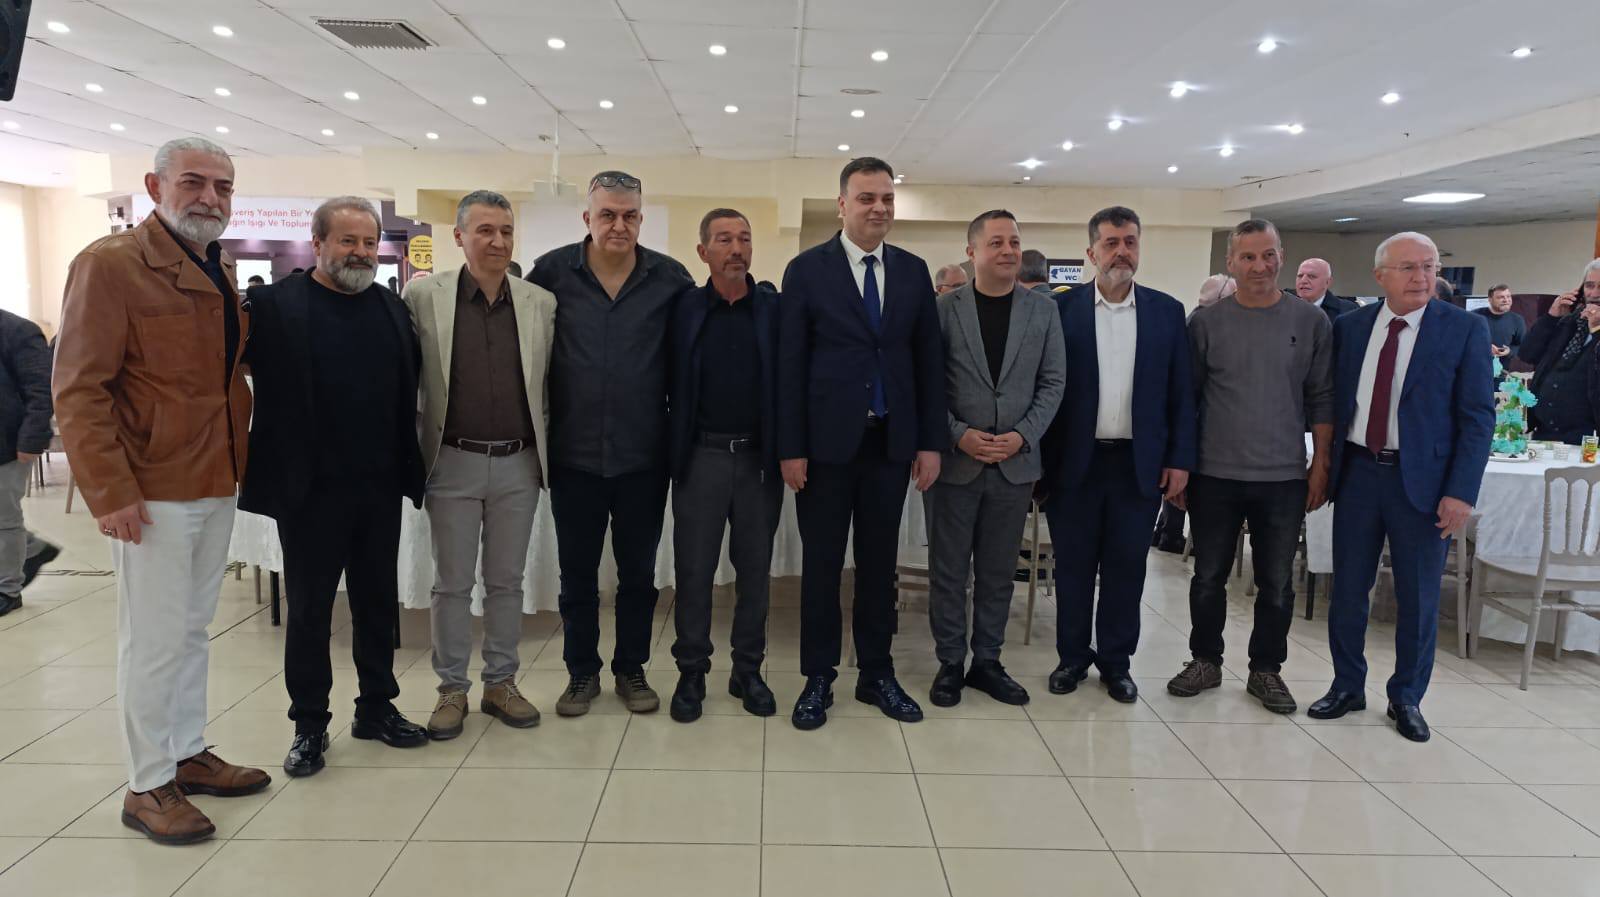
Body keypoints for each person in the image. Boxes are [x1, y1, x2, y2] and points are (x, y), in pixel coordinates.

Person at [54, 137, 268, 845]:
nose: (210, 198)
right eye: (194, 182)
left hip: (216, 473)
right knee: (151, 637)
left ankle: (187, 750)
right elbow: (79, 388)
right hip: (150, 486)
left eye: (223, 186)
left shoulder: (216, 263)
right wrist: (109, 489)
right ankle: (147, 784)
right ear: (155, 186)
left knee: (190, 629)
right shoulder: (109, 265)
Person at [240, 196, 430, 777]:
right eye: (348, 241)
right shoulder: (274, 306)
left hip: (378, 485)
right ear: (317, 243)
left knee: (376, 603)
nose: (361, 253)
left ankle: (376, 707)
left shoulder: (391, 308)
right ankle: (309, 724)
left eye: (369, 243)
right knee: (310, 611)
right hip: (309, 491)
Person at [778, 156, 946, 730]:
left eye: (887, 198)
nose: (879, 208)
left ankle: (876, 673)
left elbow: (927, 362)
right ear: (842, 204)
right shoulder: (807, 270)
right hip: (824, 449)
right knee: (822, 567)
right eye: (867, 198)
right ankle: (818, 677)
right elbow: (790, 365)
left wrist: (930, 442)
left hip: (889, 446)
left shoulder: (913, 272)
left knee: (879, 568)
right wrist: (791, 446)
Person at [1309, 232, 1493, 742]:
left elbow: (1478, 417)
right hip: (1359, 474)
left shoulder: (1463, 329)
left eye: (1429, 267)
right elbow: (1334, 401)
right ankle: (1347, 685)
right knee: (1348, 589)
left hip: (1425, 484)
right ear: (1380, 276)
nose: (1421, 277)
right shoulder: (1351, 327)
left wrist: (1461, 491)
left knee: (1418, 596)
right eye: (1408, 267)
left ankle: (1407, 696)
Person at [528, 171, 693, 716]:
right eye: (608, 214)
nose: (619, 225)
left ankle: (631, 668)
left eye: (629, 215)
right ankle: (581, 673)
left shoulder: (671, 279)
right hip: (572, 456)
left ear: (641, 219)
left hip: (644, 456)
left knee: (638, 577)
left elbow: (688, 364)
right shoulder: (550, 274)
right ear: (588, 218)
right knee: (576, 576)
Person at [405, 191, 555, 739]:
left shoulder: (540, 302)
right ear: (459, 236)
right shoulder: (424, 297)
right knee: (451, 584)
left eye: (506, 231)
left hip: (518, 462)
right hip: (452, 460)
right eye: (485, 230)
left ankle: (501, 683)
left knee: (507, 582)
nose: (498, 241)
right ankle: (451, 689)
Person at [1170, 218, 1333, 714]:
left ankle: (1266, 669)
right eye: (1248, 257)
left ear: (1281, 255)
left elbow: (1322, 399)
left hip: (1283, 476)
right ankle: (1205, 660)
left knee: (1276, 583)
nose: (1259, 265)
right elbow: (1186, 400)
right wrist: (1181, 466)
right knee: (1208, 576)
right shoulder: (1205, 324)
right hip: (1214, 474)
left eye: (1268, 255)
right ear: (1231, 263)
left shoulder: (1310, 322)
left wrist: (1321, 466)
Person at [1041, 206, 1193, 703]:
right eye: (1111, 243)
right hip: (1074, 464)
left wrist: (1179, 459)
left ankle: (1116, 663)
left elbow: (1181, 393)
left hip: (1138, 465)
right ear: (1091, 253)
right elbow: (1044, 389)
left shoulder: (1166, 312)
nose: (1121, 252)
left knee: (1127, 570)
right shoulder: (1059, 311)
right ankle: (1071, 657)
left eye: (1130, 242)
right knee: (1073, 568)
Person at [925, 210, 1064, 707]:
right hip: (956, 462)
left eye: (1015, 242)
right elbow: (926, 383)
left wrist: (1022, 436)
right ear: (972, 252)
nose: (1008, 251)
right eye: (997, 242)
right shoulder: (944, 309)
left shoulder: (1043, 311)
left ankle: (987, 660)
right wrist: (957, 434)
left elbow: (1053, 382)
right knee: (948, 572)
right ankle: (949, 661)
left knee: (999, 572)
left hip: (1014, 464)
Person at [665, 208, 783, 722]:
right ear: (703, 252)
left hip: (759, 461)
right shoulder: (684, 310)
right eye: (724, 239)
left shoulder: (775, 310)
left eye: (744, 239)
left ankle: (747, 670)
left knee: (755, 572)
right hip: (701, 457)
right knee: (694, 571)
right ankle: (691, 671)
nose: (736, 248)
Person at [1151, 273, 1235, 554]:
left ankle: (1166, 530)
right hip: (1198, 420)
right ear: (1221, 299)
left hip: (1189, 420)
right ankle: (1171, 533)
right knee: (1181, 480)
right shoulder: (1202, 325)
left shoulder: (1191, 319)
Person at [0, 308, 60, 616]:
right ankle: (32, 549)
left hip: (8, 445)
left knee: (3, 519)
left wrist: (32, 439)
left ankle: (7, 589)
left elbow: (41, 390)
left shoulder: (17, 331)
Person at [1520, 260, 1600, 443]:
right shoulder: (1570, 321)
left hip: (1589, 439)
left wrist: (1597, 330)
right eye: (1589, 285)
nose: (1594, 294)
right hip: (1545, 433)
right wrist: (1551, 317)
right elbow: (1528, 354)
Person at [1295, 258, 1357, 324]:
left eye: (1311, 276)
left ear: (1327, 282)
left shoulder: (1347, 310)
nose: (1303, 281)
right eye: (1300, 276)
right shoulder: (1287, 306)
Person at [1474, 283, 1526, 361]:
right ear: (1490, 299)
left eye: (1508, 296)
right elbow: (1463, 340)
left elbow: (1522, 346)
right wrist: (1484, 347)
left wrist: (1509, 351)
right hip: (1476, 362)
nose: (1506, 300)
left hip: (1503, 366)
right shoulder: (1475, 316)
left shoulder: (1517, 320)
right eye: (1501, 297)